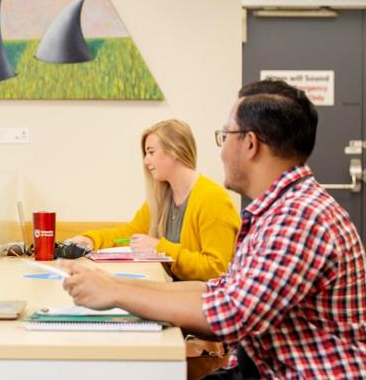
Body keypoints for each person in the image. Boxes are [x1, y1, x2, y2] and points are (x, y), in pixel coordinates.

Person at [62, 80, 366, 378]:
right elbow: (220, 288)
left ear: (249, 144)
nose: (221, 151)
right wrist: (114, 285)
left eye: (225, 136)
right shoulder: (278, 210)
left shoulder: (299, 217)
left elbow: (229, 313)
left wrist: (116, 292)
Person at [66, 119, 240, 281]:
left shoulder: (212, 199)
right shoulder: (161, 197)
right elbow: (129, 234)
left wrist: (160, 248)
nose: (145, 161)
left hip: (203, 301)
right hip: (174, 294)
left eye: (151, 152)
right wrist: (91, 240)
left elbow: (217, 269)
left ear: (175, 150)